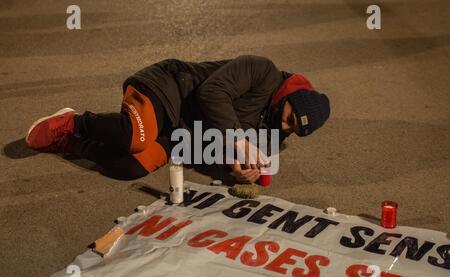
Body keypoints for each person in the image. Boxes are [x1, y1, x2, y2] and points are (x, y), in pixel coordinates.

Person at [25, 55, 330, 183]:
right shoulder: (262, 70)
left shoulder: (274, 138)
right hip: (167, 89)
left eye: (293, 130)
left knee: (129, 167)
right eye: (290, 117)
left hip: (180, 135)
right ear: (290, 96)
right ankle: (73, 121)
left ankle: (74, 143)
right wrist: (237, 140)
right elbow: (211, 93)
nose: (284, 126)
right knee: (135, 137)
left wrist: (234, 171)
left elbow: (210, 153)